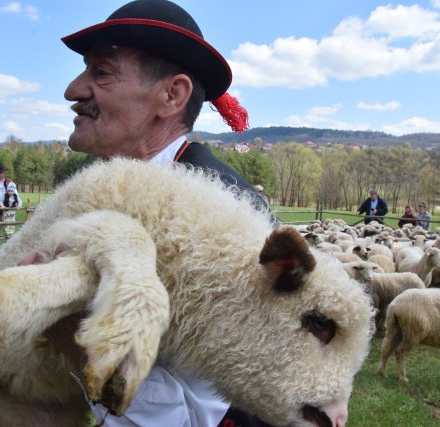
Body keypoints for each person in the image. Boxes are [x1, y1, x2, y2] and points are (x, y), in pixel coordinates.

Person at [42, 1, 272, 425]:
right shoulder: (110, 190)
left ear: (172, 95)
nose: (73, 91)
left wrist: (73, 338)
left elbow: (199, 417)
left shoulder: (220, 223)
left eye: (102, 73)